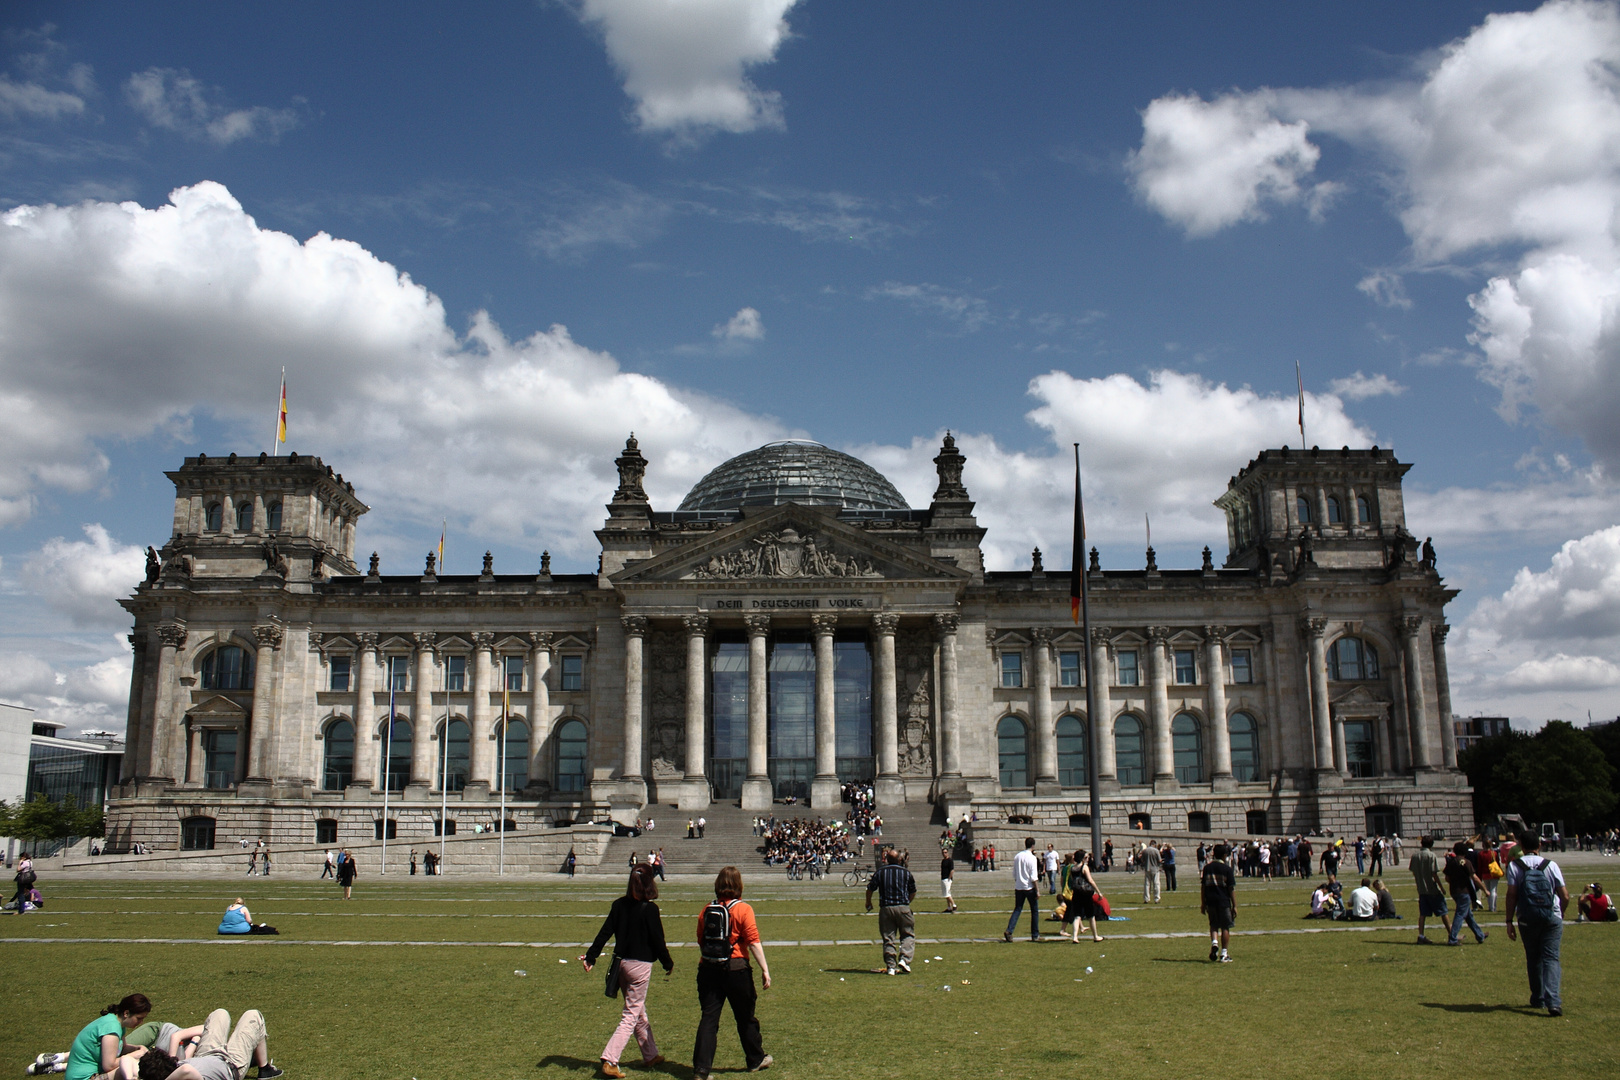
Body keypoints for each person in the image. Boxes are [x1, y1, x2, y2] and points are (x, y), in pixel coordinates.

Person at [582, 864, 674, 1079]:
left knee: (637, 1010)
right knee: (631, 1014)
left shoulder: (619, 905)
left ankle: (650, 1055)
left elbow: (604, 933)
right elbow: (658, 941)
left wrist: (591, 956)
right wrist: (667, 962)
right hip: (640, 966)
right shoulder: (650, 910)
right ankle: (610, 1059)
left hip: (621, 965)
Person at [692, 867, 772, 1080]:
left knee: (709, 1019)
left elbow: (700, 938)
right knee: (745, 1017)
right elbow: (753, 941)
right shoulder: (743, 909)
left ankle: (701, 1069)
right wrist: (765, 969)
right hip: (736, 969)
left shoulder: (707, 909)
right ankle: (755, 1058)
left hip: (708, 968)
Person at [1505, 831, 1569, 1016]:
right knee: (1551, 958)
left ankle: (1538, 997)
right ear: (1539, 845)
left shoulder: (1515, 866)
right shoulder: (1551, 865)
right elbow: (1564, 895)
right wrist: (1560, 912)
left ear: (1521, 846)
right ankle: (1554, 1001)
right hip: (1551, 915)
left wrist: (1509, 921)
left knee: (1533, 957)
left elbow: (1512, 895)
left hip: (1527, 916)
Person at [135, 1009, 282, 1080]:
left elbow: (184, 1063)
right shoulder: (183, 1074)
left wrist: (193, 1042)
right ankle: (265, 1069)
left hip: (207, 1053)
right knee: (253, 1015)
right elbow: (187, 1069)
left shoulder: (176, 1068)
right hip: (232, 1064)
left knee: (220, 1014)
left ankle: (264, 1067)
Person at [66, 994, 150, 1080]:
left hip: (94, 1075)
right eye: (139, 1018)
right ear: (126, 1013)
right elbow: (109, 1065)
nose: (141, 1022)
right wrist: (135, 1055)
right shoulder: (111, 1028)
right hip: (84, 1077)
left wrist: (138, 1048)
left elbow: (122, 1049)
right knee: (130, 1067)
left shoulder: (117, 1023)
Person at [866, 848, 918, 975]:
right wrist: (907, 903)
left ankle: (890, 966)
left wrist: (868, 902)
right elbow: (913, 891)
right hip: (903, 906)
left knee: (888, 937)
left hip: (886, 908)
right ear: (899, 859)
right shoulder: (906, 873)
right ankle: (905, 959)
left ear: (887, 859)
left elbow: (870, 888)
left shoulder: (880, 872)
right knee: (908, 934)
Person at [1409, 834, 1452, 944]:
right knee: (1443, 912)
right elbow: (1434, 874)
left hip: (1421, 890)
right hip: (1432, 889)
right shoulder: (1431, 856)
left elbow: (1414, 871)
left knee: (1423, 914)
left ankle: (1421, 935)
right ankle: (1452, 934)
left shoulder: (1415, 856)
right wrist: (1441, 887)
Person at [1444, 842, 1488, 945]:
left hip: (1454, 891)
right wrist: (1485, 889)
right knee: (1460, 915)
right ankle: (1452, 938)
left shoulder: (1451, 862)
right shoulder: (1466, 862)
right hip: (1464, 892)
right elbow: (1475, 878)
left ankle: (1480, 935)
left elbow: (1447, 878)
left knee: (1468, 915)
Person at [1200, 843, 1236, 962]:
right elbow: (1231, 888)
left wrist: (1203, 903)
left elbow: (1203, 887)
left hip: (1210, 900)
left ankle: (1214, 942)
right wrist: (1234, 905)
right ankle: (1224, 953)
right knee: (1225, 926)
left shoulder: (1207, 868)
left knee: (1213, 924)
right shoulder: (1227, 869)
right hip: (1223, 901)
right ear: (1225, 855)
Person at [1003, 837, 1041, 942]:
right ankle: (1035, 934)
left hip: (1019, 887)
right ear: (1033, 846)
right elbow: (1034, 877)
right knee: (1034, 911)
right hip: (1029, 887)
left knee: (1017, 909)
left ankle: (1009, 930)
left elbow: (1014, 873)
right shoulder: (1032, 858)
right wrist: (1037, 890)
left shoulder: (1018, 856)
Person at [1066, 849, 1104, 943]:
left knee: (1077, 916)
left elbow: (1072, 880)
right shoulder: (1084, 867)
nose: (1087, 859)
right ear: (1082, 858)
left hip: (1076, 893)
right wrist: (1098, 891)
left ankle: (1075, 937)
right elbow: (1090, 880)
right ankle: (1095, 936)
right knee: (1091, 915)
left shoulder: (1072, 868)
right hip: (1086, 894)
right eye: (1086, 857)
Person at [940, 848, 957, 914]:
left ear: (948, 853)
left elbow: (952, 870)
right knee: (946, 894)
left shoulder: (950, 860)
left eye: (945, 852)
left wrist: (949, 878)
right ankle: (949, 907)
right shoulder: (943, 861)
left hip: (947, 879)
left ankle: (954, 905)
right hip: (943, 878)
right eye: (943, 852)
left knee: (947, 893)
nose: (944, 854)